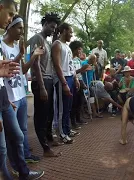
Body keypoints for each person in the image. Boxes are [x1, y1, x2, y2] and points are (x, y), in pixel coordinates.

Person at [0, 0, 44, 179]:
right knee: (6, 143)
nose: (22, 32)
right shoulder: (1, 45)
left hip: (13, 96)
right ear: (10, 26)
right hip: (9, 95)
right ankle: (15, 169)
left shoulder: (18, 46)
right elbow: (8, 69)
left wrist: (31, 56)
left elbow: (19, 69)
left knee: (19, 134)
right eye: (19, 28)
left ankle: (21, 167)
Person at [28, 13, 63, 157]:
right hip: (40, 81)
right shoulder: (37, 38)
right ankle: (45, 149)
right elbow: (35, 63)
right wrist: (42, 86)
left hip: (48, 80)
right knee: (41, 116)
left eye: (55, 28)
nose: (53, 30)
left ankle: (48, 139)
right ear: (45, 23)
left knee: (49, 113)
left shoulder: (47, 41)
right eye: (52, 27)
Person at [51, 23, 80, 144]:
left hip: (70, 77)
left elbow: (71, 64)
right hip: (62, 79)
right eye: (70, 32)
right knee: (62, 108)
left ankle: (67, 130)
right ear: (63, 31)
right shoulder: (57, 45)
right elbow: (57, 65)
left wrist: (75, 78)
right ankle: (62, 133)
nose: (72, 35)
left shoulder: (67, 46)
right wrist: (63, 83)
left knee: (68, 106)